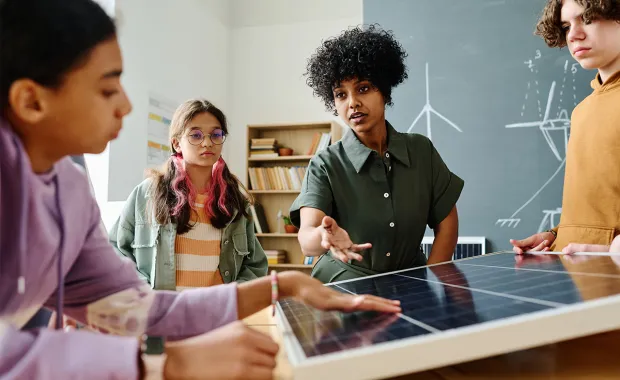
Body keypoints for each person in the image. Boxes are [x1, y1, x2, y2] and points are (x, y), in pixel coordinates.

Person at [0, 1, 401, 379]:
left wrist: (284, 284)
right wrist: (165, 364)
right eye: (107, 89)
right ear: (31, 101)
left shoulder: (69, 191)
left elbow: (134, 308)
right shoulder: (139, 193)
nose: (126, 105)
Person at [290, 25, 464, 283]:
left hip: (412, 283)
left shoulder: (421, 150)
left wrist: (431, 278)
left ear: (384, 91)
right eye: (341, 94)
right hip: (346, 287)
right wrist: (323, 237)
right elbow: (307, 238)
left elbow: (447, 221)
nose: (352, 103)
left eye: (363, 88)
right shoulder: (324, 164)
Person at [110, 99, 267, 290]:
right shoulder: (147, 193)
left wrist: (234, 296)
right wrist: (143, 291)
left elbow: (256, 264)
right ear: (177, 143)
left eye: (216, 134)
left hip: (217, 314)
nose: (207, 142)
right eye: (196, 135)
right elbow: (115, 251)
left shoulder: (234, 201)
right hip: (163, 313)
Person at [510, 0, 620, 255]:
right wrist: (558, 234)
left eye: (588, 19)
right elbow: (600, 202)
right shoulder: (581, 111)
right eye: (566, 25)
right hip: (582, 277)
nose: (574, 34)